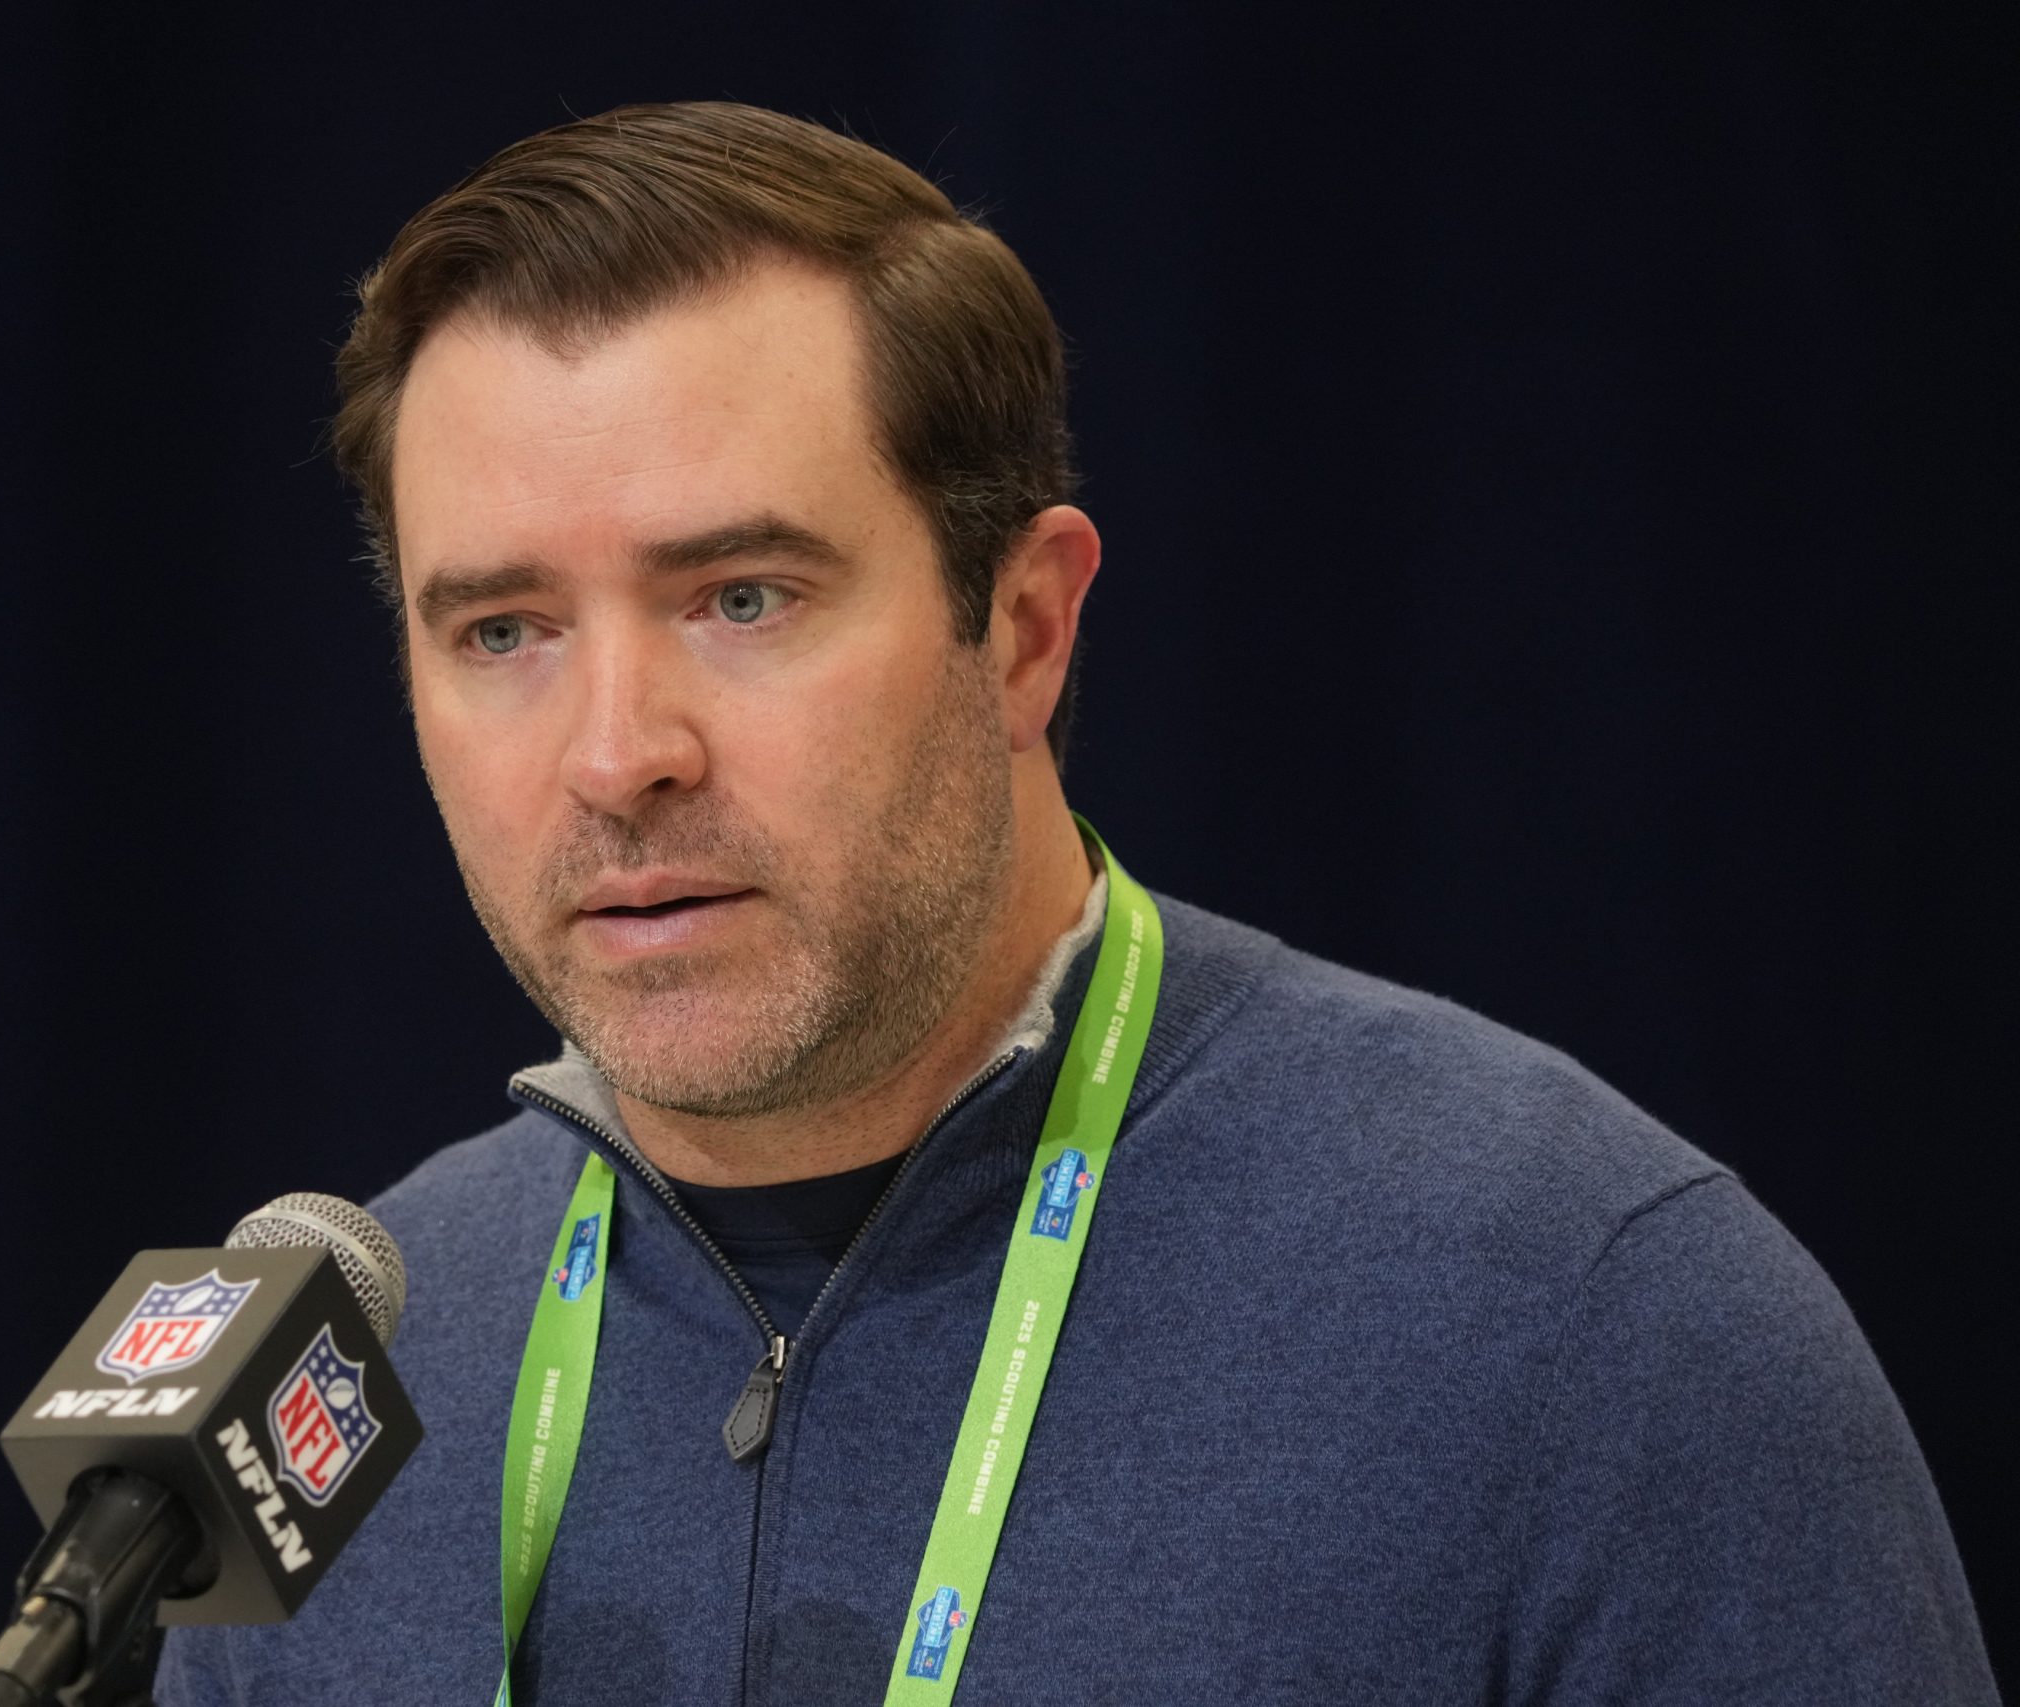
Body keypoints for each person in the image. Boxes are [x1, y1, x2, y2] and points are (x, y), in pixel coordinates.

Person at [158, 103, 1996, 1706]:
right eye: (504, 632)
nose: (618, 753)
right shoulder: (328, 1378)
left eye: (744, 600)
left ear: (1026, 628)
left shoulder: (1594, 1320)